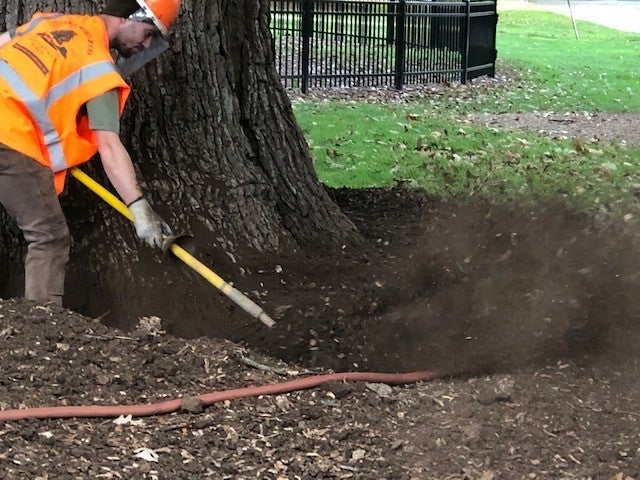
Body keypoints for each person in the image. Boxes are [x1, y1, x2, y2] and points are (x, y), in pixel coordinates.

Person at [0, 0, 181, 306]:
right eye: (148, 33)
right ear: (128, 17)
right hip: (11, 136)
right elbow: (109, 147)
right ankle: (41, 333)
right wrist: (141, 212)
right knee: (49, 238)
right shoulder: (98, 70)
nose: (146, 45)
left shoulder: (52, 22)